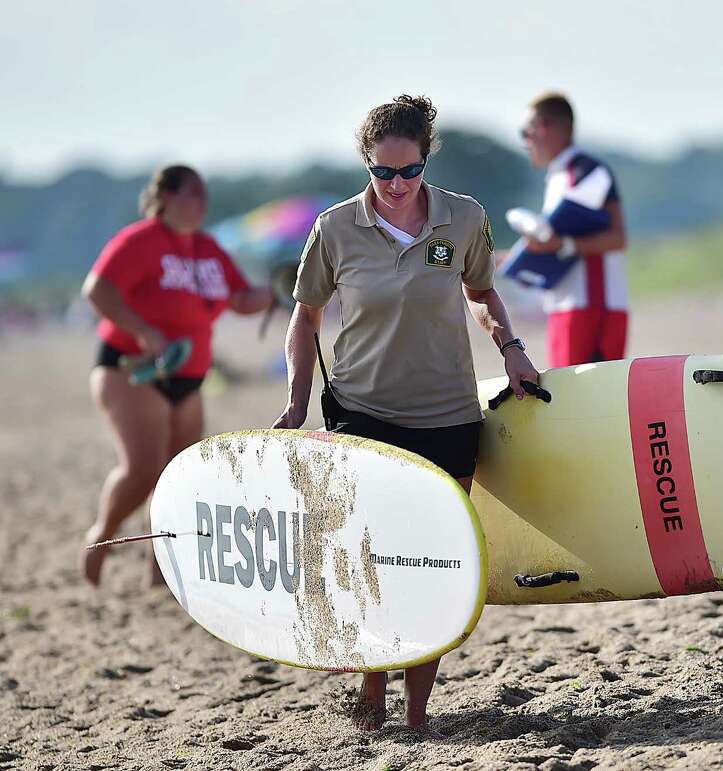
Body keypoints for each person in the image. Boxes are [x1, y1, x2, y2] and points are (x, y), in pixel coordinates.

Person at [272, 95, 540, 735]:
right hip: (364, 413)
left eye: (408, 172)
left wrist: (513, 349)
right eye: (381, 173)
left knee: (434, 562)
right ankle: (372, 690)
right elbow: (305, 318)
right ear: (366, 164)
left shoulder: (463, 218)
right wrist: (297, 400)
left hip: (448, 413)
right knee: (377, 558)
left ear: (426, 159)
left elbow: (483, 294)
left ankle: (416, 715)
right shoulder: (335, 229)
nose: (395, 186)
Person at [80, 165, 274, 586]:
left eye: (205, 195)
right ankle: (102, 536)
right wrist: (144, 331)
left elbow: (240, 298)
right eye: (192, 194)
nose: (202, 203)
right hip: (132, 369)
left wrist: (278, 291)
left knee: (177, 475)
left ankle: (159, 566)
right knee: (144, 468)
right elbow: (98, 289)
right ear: (166, 196)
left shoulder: (207, 248)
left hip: (188, 377)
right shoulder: (140, 240)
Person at [518, 92, 630, 366]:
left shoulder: (585, 171)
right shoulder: (559, 174)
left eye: (525, 132)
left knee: (584, 405)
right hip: (566, 306)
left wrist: (560, 245)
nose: (524, 142)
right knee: (567, 403)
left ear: (544, 127)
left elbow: (617, 237)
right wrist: (518, 258)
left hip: (591, 307)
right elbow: (557, 238)